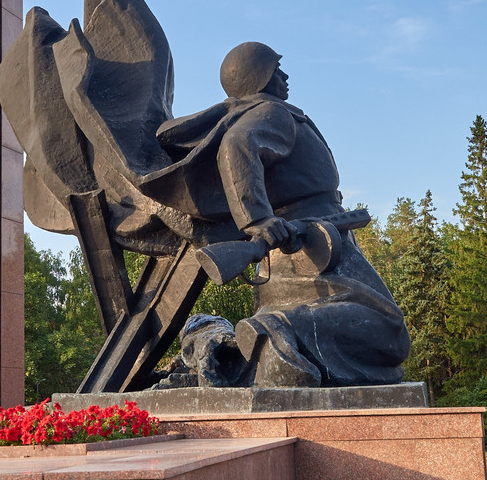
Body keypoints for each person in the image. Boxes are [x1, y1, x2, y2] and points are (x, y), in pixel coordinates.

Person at [157, 42, 411, 387]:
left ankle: (258, 344)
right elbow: (237, 145)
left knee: (382, 330)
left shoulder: (268, 111)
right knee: (387, 330)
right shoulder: (271, 111)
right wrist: (258, 220)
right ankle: (276, 329)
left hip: (307, 240)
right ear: (259, 78)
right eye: (276, 69)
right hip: (305, 244)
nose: (285, 75)